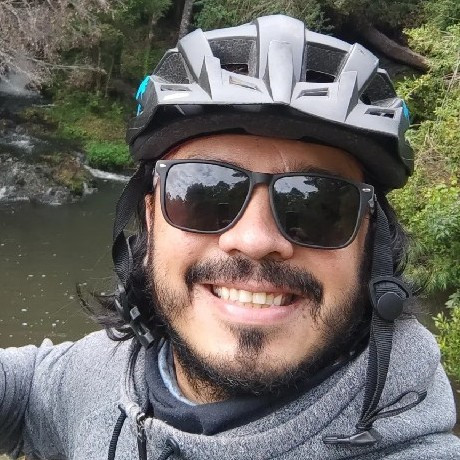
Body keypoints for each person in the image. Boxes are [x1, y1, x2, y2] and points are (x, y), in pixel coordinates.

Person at [0, 14, 459, 460]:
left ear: (371, 242)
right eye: (204, 193)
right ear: (150, 217)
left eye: (318, 205)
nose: (255, 239)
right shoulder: (96, 373)